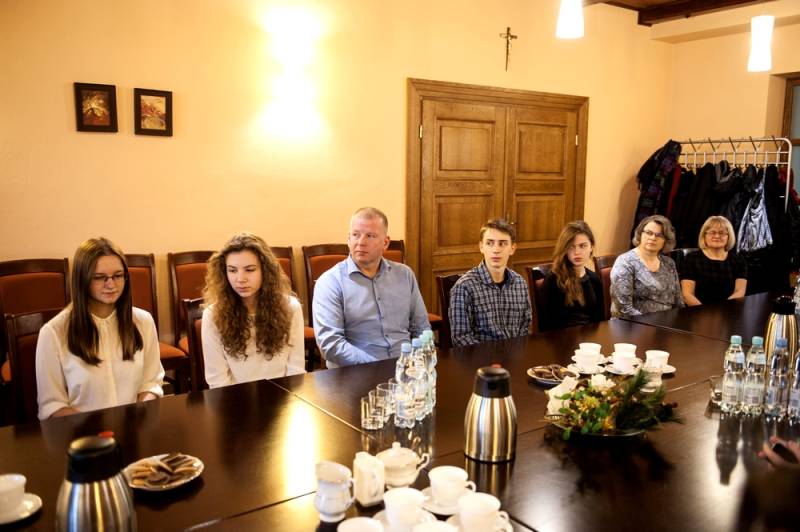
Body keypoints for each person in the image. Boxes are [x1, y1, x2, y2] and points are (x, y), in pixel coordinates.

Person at [35, 238, 164, 419]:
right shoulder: (53, 333)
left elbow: (151, 382)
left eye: (118, 275)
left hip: (134, 429)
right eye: (99, 277)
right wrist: (97, 428)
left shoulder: (143, 321)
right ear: (82, 279)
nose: (111, 284)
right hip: (82, 433)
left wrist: (140, 410)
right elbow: (52, 405)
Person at [313, 207, 430, 367]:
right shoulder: (330, 282)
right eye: (355, 235)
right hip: (355, 372)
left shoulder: (404, 275)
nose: (361, 242)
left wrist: (420, 364)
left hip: (406, 369)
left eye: (370, 236)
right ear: (348, 239)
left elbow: (421, 328)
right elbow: (330, 344)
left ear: (385, 243)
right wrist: (378, 367)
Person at [201, 232, 305, 388]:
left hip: (284, 395)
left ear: (266, 271)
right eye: (232, 270)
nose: (240, 279)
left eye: (249, 270)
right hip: (235, 398)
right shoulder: (212, 315)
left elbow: (296, 369)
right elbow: (217, 380)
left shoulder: (291, 308)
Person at [448, 218, 531, 346]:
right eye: (490, 243)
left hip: (514, 354)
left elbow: (525, 328)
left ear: (512, 248)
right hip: (481, 356)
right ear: (481, 247)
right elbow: (461, 338)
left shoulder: (520, 283)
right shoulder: (464, 287)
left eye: (502, 244)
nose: (496, 250)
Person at [610, 214, 684, 318]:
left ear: (666, 240)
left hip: (667, 322)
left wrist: (682, 319)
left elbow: (678, 301)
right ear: (640, 234)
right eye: (649, 233)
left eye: (659, 235)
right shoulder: (625, 262)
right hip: (633, 324)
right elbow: (623, 309)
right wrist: (654, 325)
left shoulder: (669, 263)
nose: (653, 238)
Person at [540, 221, 604, 330]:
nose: (577, 252)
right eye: (571, 247)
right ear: (564, 249)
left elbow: (599, 319)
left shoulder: (594, 279)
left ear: (591, 247)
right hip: (561, 337)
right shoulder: (554, 279)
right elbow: (546, 324)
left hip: (590, 337)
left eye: (582, 246)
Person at [681, 215, 747, 306]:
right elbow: (687, 295)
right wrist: (705, 312)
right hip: (698, 311)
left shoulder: (739, 260)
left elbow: (740, 291)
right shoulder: (691, 258)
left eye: (722, 233)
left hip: (729, 309)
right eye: (712, 232)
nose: (717, 236)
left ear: (729, 236)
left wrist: (724, 309)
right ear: (704, 235)